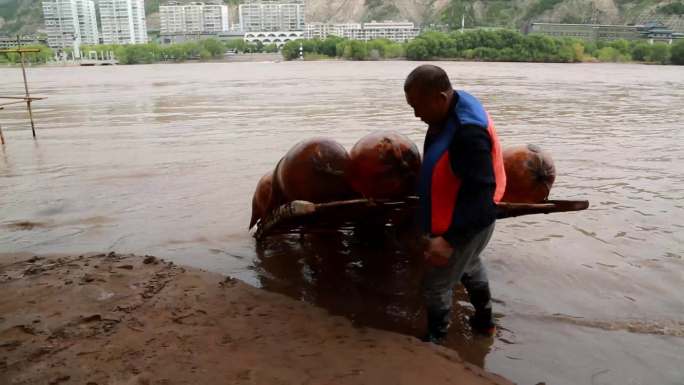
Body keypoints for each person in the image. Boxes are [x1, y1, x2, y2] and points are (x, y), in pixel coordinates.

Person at [404, 64, 507, 343]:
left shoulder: (468, 134)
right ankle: (485, 325)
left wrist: (449, 240)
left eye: (419, 106)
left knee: (435, 284)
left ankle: (436, 342)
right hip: (457, 215)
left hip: (466, 221)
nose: (416, 115)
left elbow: (483, 202)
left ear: (440, 97)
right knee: (470, 265)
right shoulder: (449, 107)